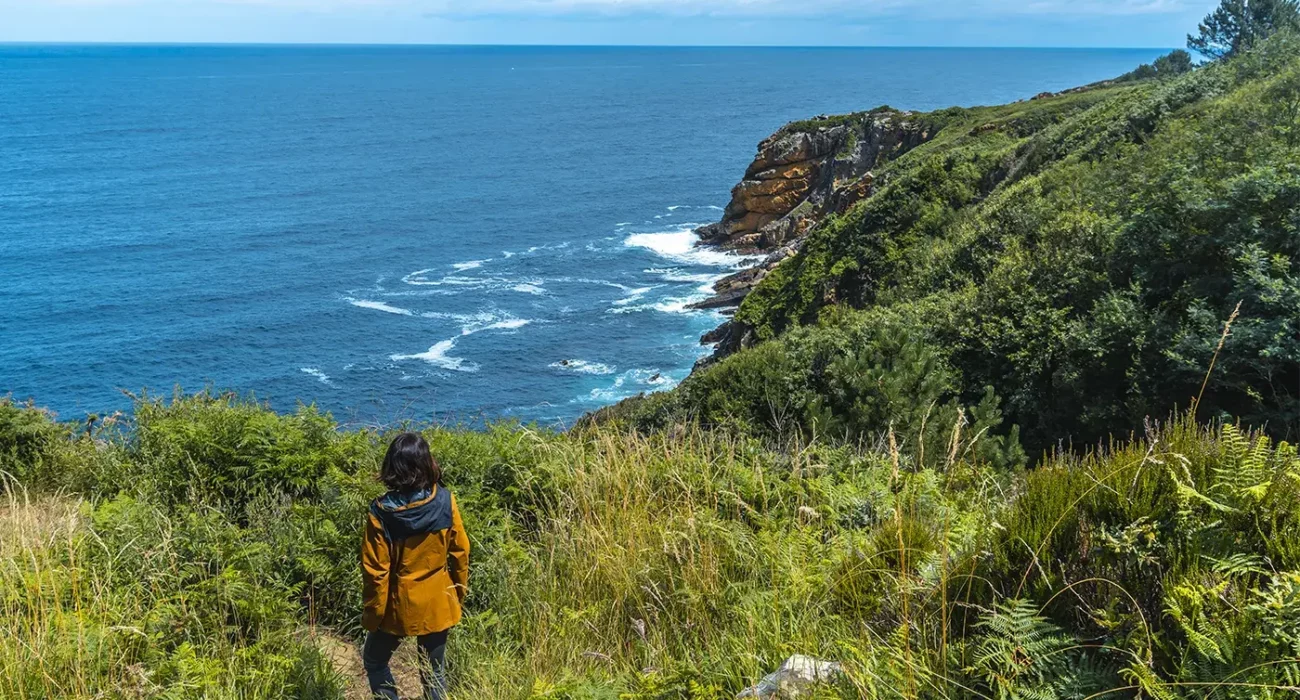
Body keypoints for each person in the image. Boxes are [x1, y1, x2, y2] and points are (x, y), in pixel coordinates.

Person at [361, 432, 470, 700]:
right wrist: (457, 595)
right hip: (437, 599)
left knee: (375, 661)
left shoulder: (381, 513)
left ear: (392, 466)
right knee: (434, 673)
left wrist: (373, 618)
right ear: (426, 463)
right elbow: (460, 553)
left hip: (398, 605)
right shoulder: (446, 501)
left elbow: (376, 573)